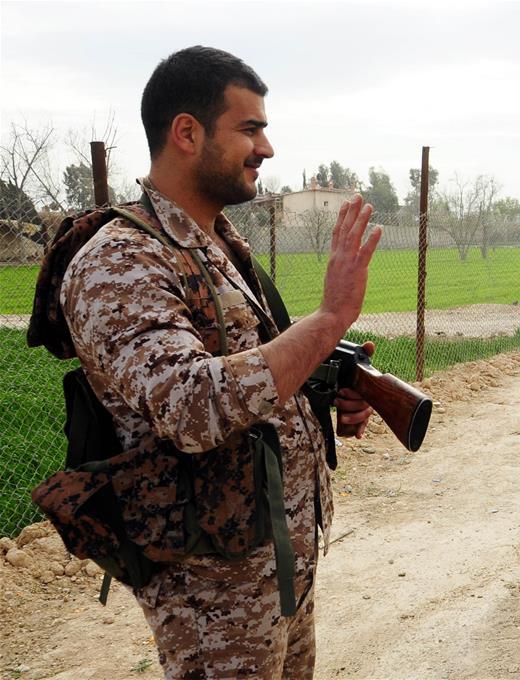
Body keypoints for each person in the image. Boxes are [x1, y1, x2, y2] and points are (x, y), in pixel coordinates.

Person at [56, 46, 381, 678]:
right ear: (187, 132)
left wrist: (328, 388)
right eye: (250, 128)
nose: (267, 148)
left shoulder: (219, 246)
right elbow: (193, 406)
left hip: (277, 563)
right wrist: (328, 318)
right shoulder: (119, 262)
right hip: (211, 593)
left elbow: (256, 374)